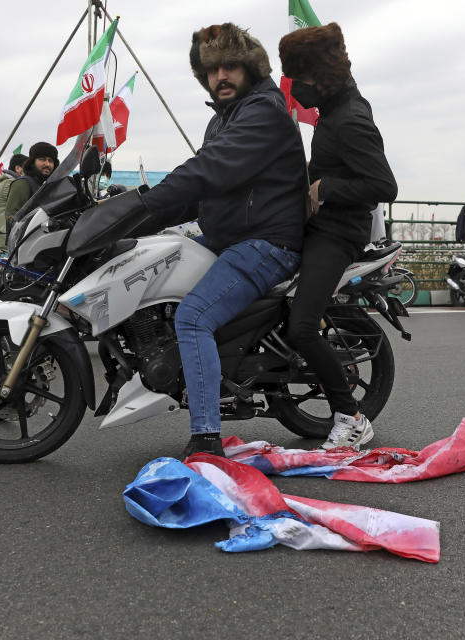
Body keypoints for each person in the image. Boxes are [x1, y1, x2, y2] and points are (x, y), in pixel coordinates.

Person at [131, 23, 305, 457]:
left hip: (266, 241)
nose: (220, 76)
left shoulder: (263, 110)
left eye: (229, 66)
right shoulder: (224, 117)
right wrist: (133, 220)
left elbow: (209, 169)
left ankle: (207, 436)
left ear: (248, 68)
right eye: (211, 70)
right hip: (231, 237)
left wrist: (144, 204)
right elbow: (203, 189)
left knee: (192, 317)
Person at [279, 23, 397, 451]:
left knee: (304, 327)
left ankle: (351, 416)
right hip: (317, 226)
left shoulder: (349, 119)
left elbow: (385, 185)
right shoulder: (334, 112)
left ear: (320, 77)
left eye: (299, 80)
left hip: (338, 233)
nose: (296, 90)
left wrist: (325, 189)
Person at [4, 142, 58, 222]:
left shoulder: (41, 185)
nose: (47, 164)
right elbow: (10, 217)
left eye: (50, 161)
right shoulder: (23, 183)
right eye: (42, 159)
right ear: (32, 162)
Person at [0, 153, 27, 251]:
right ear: (18, 169)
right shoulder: (11, 183)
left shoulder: (8, 182)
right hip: (1, 235)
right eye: (27, 168)